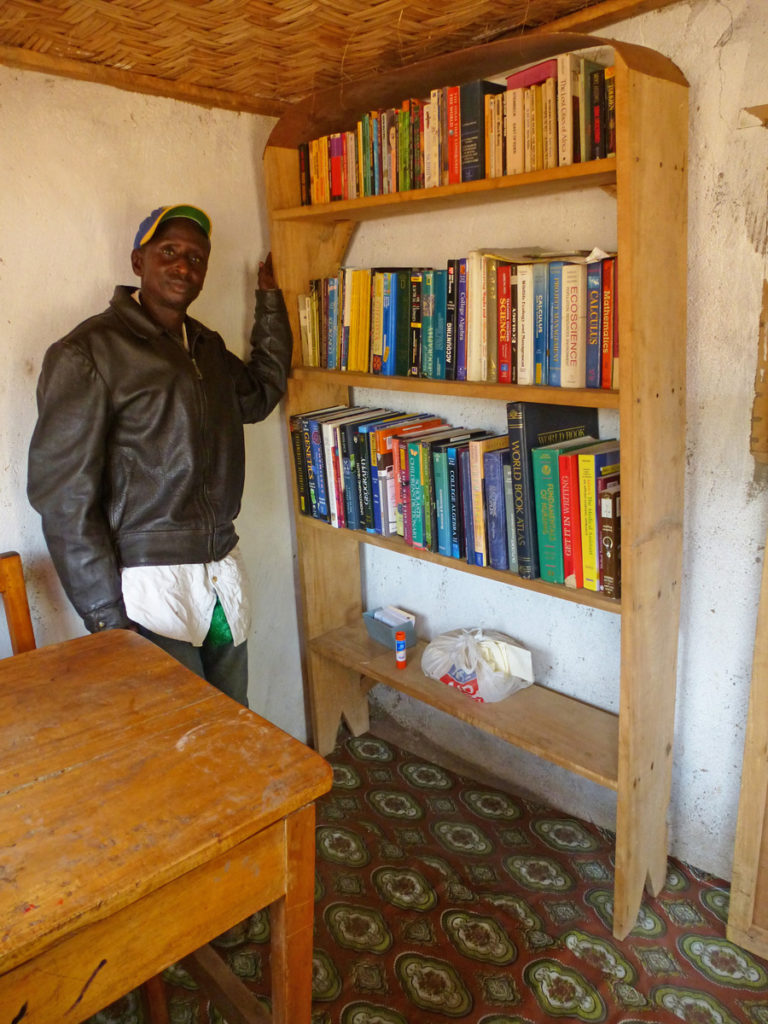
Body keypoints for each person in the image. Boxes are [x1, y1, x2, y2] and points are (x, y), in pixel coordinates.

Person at [28, 204, 293, 706]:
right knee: (180, 745)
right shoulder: (88, 353)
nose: (183, 266)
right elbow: (62, 498)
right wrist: (106, 617)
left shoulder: (206, 348)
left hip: (220, 577)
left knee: (235, 728)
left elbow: (258, 396)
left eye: (196, 257)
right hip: (149, 589)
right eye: (168, 251)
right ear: (137, 262)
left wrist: (270, 303)